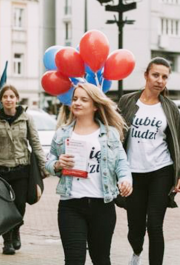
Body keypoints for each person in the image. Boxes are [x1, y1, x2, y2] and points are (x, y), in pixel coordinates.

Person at [45, 83, 133, 265]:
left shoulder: (110, 134)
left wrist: (125, 180)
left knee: (101, 259)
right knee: (74, 260)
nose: (77, 102)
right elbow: (48, 160)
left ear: (95, 105)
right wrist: (57, 164)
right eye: (75, 98)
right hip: (71, 205)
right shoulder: (62, 134)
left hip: (102, 205)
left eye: (84, 99)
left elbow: (121, 163)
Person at [117, 57, 180, 265]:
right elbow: (115, 134)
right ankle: (137, 251)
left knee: (155, 225)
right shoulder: (127, 101)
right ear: (146, 75)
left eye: (164, 77)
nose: (160, 80)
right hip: (133, 174)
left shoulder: (170, 108)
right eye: (155, 75)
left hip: (161, 170)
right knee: (136, 227)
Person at [0, 84, 47, 255]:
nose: (8, 99)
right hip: (0, 170)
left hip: (22, 169)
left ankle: (16, 230)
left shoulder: (26, 118)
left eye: (11, 96)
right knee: (5, 207)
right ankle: (7, 241)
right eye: (5, 97)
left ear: (17, 99)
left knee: (20, 205)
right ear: (1, 100)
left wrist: (44, 166)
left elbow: (35, 143)